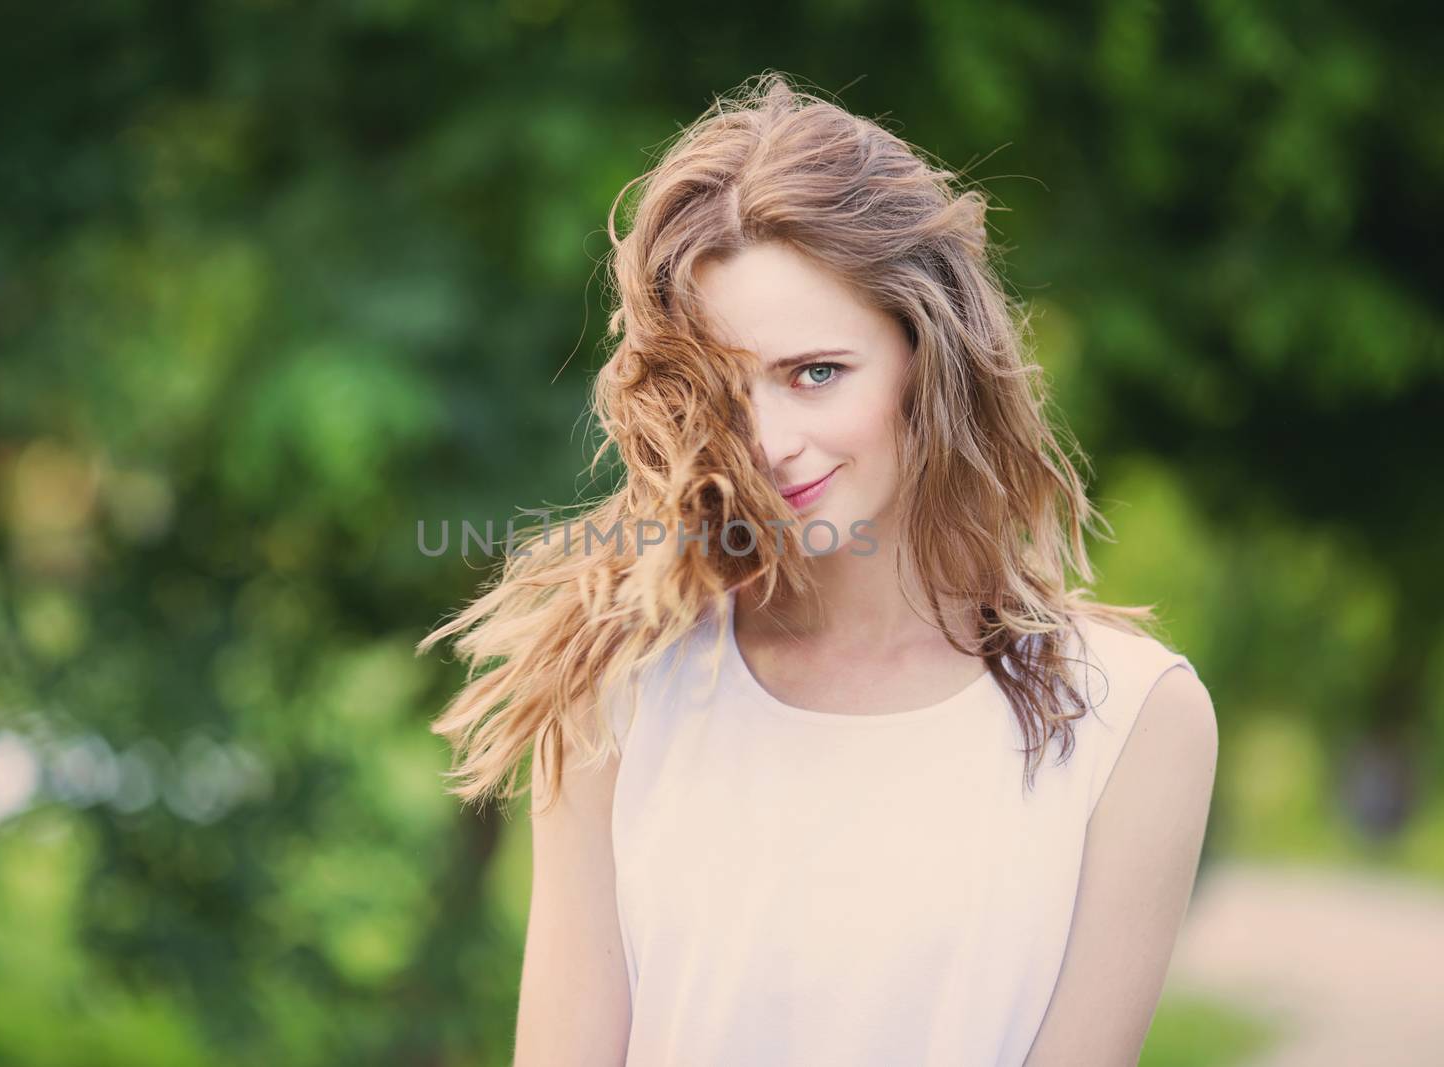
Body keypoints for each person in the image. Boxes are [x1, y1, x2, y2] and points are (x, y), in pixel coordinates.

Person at [418, 73, 1218, 1067]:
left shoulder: (1129, 716)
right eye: (723, 384)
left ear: (928, 359)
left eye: (816, 372)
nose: (769, 440)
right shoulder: (621, 686)